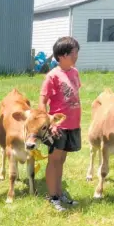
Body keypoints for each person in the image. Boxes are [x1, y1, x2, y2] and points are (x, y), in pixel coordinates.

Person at [38, 37, 81, 212]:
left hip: (72, 124)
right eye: (74, 53)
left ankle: (60, 192)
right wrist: (50, 123)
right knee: (54, 160)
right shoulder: (52, 76)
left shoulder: (75, 72)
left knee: (62, 160)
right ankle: (52, 196)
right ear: (62, 55)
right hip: (58, 127)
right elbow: (42, 101)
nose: (76, 56)